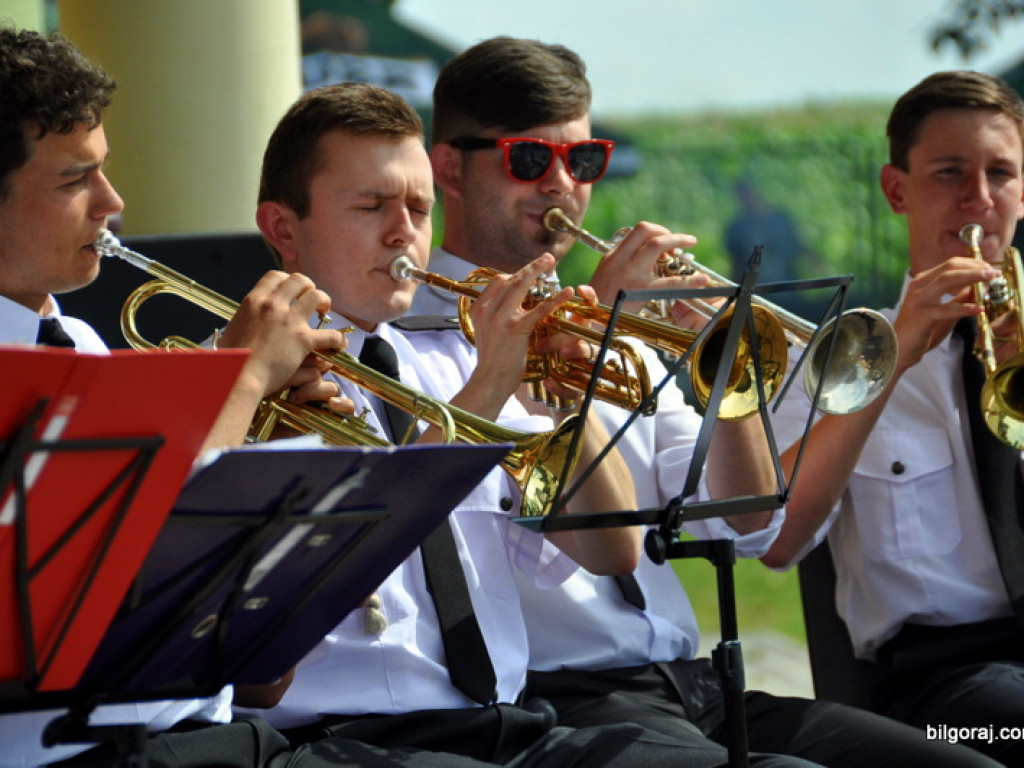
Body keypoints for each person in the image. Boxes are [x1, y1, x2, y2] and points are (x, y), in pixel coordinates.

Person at [410, 36, 1000, 768]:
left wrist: (725, 360)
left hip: (697, 686)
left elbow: (752, 523)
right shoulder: (418, 341)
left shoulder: (619, 337)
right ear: (448, 170)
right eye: (530, 160)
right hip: (563, 701)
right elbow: (583, 536)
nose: (562, 186)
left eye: (583, 160)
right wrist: (601, 322)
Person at [233, 78, 823, 768]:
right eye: (370, 205)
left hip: (507, 728)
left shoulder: (452, 365)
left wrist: (568, 389)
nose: (403, 232)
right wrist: (488, 388)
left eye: (418, 208)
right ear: (282, 229)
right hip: (349, 737)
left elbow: (611, 552)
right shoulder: (254, 384)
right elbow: (331, 579)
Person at [0, 27, 405, 768]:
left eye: (105, 172)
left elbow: (261, 681)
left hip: (223, 734)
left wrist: (287, 469)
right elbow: (114, 579)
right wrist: (243, 380)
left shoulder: (87, 345)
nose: (111, 203)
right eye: (72, 181)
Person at [765, 69, 1024, 765]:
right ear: (896, 191)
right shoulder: (833, 358)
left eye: (1001, 173)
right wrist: (893, 358)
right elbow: (779, 538)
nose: (979, 200)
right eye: (950, 173)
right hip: (937, 690)